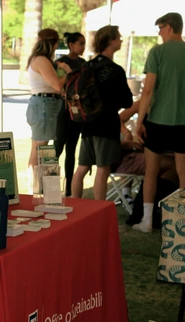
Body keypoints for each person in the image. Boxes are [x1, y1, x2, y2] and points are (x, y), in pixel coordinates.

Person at [133, 12, 185, 233]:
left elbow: (147, 90)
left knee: (151, 171)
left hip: (157, 121)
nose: (159, 34)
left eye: (160, 29)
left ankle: (146, 220)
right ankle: (181, 221)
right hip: (183, 123)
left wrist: (140, 120)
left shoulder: (158, 52)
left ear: (170, 27)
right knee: (183, 173)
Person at [71, 25, 133, 201]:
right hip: (107, 125)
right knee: (103, 168)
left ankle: (75, 204)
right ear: (111, 41)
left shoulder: (87, 66)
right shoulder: (114, 70)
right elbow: (127, 101)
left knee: (82, 167)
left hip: (87, 123)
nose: (121, 40)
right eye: (119, 37)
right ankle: (98, 208)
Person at [25, 29, 71, 174]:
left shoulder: (39, 59)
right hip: (44, 105)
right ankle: (35, 188)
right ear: (54, 43)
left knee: (38, 149)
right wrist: (68, 73)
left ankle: (36, 187)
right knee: (39, 150)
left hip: (44, 104)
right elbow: (57, 85)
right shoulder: (41, 60)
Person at [54, 32, 86, 196]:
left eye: (84, 43)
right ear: (71, 44)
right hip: (63, 110)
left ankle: (68, 189)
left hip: (77, 112)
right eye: (80, 43)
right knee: (57, 148)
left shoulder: (83, 63)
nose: (83, 46)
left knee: (71, 150)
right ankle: (49, 185)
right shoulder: (61, 63)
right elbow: (60, 86)